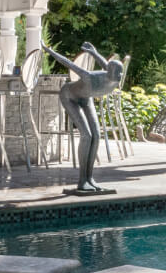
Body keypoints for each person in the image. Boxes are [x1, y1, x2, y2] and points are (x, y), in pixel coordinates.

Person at [43, 41, 123, 193]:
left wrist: (94, 53)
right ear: (109, 72)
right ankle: (82, 180)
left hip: (86, 98)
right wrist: (49, 51)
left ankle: (90, 178)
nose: (119, 76)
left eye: (120, 72)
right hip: (69, 96)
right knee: (86, 135)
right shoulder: (89, 77)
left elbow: (106, 64)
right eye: (116, 72)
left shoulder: (113, 79)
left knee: (97, 135)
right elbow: (67, 63)